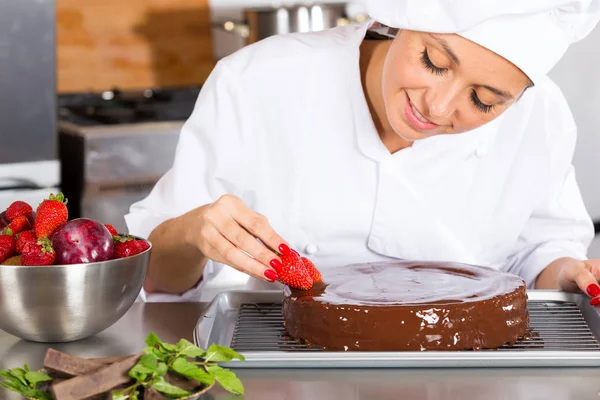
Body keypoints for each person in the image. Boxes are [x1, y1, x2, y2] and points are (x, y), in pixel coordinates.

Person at [125, 0, 600, 303]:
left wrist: (570, 275)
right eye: (433, 62)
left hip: (468, 365)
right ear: (402, 20)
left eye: (484, 100)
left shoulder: (543, 116)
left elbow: (541, 252)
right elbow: (155, 281)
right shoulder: (260, 80)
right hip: (279, 359)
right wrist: (192, 233)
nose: (437, 107)